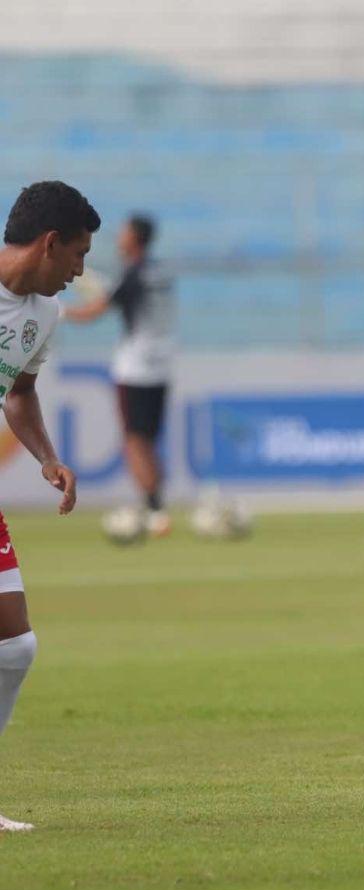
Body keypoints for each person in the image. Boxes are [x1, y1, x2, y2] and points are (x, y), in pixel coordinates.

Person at [0, 181, 97, 831]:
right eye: (78, 256)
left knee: (15, 647)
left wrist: (45, 456)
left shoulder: (45, 314)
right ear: (49, 242)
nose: (81, 272)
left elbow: (21, 391)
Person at [64, 214, 174, 536]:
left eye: (124, 232)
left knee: (134, 441)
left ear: (135, 238)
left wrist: (58, 311)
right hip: (162, 364)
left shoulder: (133, 275)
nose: (118, 238)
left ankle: (154, 510)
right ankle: (155, 505)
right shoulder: (159, 273)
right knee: (148, 441)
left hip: (136, 367)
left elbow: (97, 310)